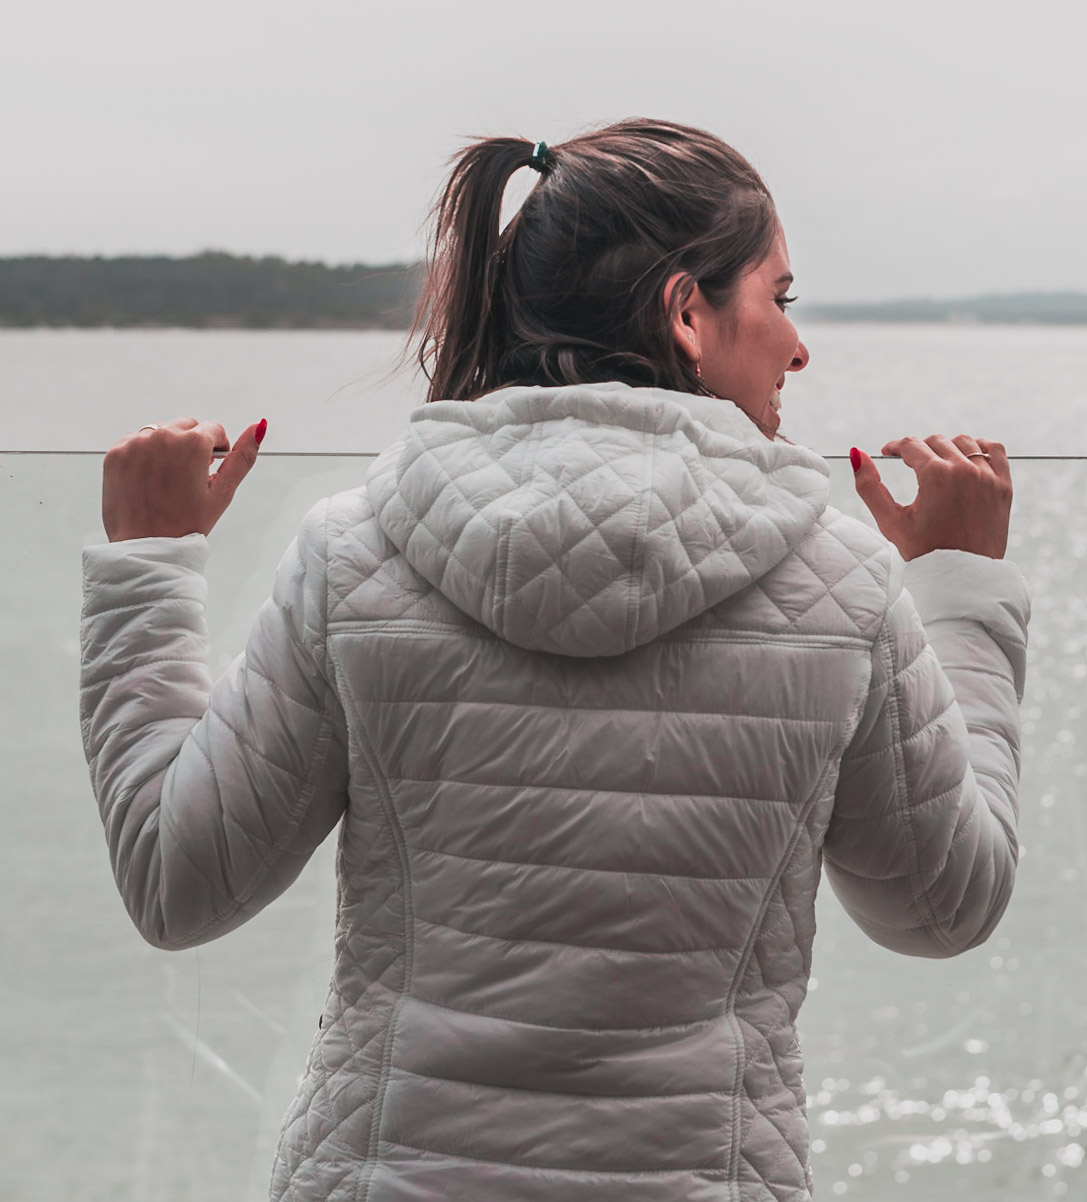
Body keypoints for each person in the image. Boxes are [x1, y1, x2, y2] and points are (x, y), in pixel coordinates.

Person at [78, 119, 1028, 1202]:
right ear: (686, 312)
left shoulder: (358, 551)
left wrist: (150, 564)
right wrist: (961, 581)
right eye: (780, 298)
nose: (799, 347)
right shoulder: (842, 580)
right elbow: (944, 905)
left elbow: (177, 882)